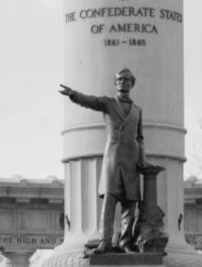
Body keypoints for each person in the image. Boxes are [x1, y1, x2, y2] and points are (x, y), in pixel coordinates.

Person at [60, 68, 145, 250]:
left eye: (127, 79)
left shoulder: (137, 111)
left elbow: (140, 138)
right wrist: (74, 95)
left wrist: (142, 159)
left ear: (132, 83)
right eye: (120, 79)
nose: (123, 82)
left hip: (131, 160)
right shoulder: (108, 103)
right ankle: (105, 241)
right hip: (113, 158)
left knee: (130, 203)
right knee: (109, 200)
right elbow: (90, 101)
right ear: (115, 83)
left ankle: (125, 242)